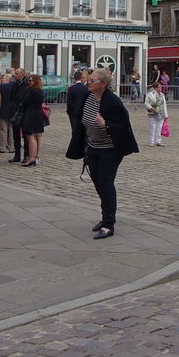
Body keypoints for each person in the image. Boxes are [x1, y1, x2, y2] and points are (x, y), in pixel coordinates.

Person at [77, 68, 139, 240]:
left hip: (110, 149)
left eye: (93, 80)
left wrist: (106, 124)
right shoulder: (87, 97)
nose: (89, 82)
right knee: (97, 183)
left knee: (105, 184)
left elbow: (123, 126)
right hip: (93, 147)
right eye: (89, 79)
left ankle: (108, 224)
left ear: (103, 84)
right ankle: (105, 217)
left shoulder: (112, 102)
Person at [20, 74, 46, 167]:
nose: (29, 82)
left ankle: (31, 158)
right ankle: (33, 157)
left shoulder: (33, 91)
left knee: (30, 138)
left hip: (31, 115)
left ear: (35, 82)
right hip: (37, 114)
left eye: (31, 81)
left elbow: (25, 102)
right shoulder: (40, 91)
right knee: (33, 137)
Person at [65, 69, 89, 159]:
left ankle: (75, 146)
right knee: (84, 130)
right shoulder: (86, 88)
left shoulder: (72, 88)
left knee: (74, 130)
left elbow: (69, 103)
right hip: (84, 112)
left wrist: (69, 111)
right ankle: (83, 146)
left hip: (74, 113)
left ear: (74, 78)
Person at [144, 78, 167, 146]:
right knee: (152, 127)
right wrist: (151, 108)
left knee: (159, 127)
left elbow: (164, 105)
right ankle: (152, 141)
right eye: (159, 86)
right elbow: (146, 103)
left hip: (161, 113)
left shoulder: (162, 95)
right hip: (153, 113)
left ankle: (158, 141)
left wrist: (166, 115)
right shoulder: (150, 94)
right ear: (155, 88)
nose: (161, 88)